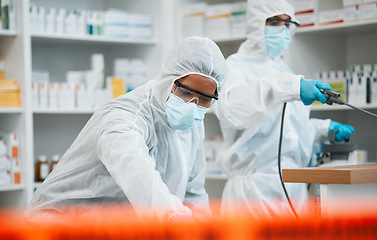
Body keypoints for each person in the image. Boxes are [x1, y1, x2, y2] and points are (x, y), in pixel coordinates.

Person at [24, 37, 227, 223]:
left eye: (205, 99)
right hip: (59, 223)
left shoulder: (193, 123)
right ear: (168, 78)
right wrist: (173, 216)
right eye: (184, 91)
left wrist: (204, 230)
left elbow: (193, 192)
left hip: (110, 226)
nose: (192, 104)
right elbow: (136, 172)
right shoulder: (124, 117)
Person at [213, 0, 354, 219]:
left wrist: (321, 129)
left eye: (288, 24)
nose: (283, 30)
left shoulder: (284, 69)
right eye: (275, 22)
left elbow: (285, 129)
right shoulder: (235, 66)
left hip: (291, 188)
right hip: (253, 194)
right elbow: (232, 110)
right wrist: (288, 87)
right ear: (256, 23)